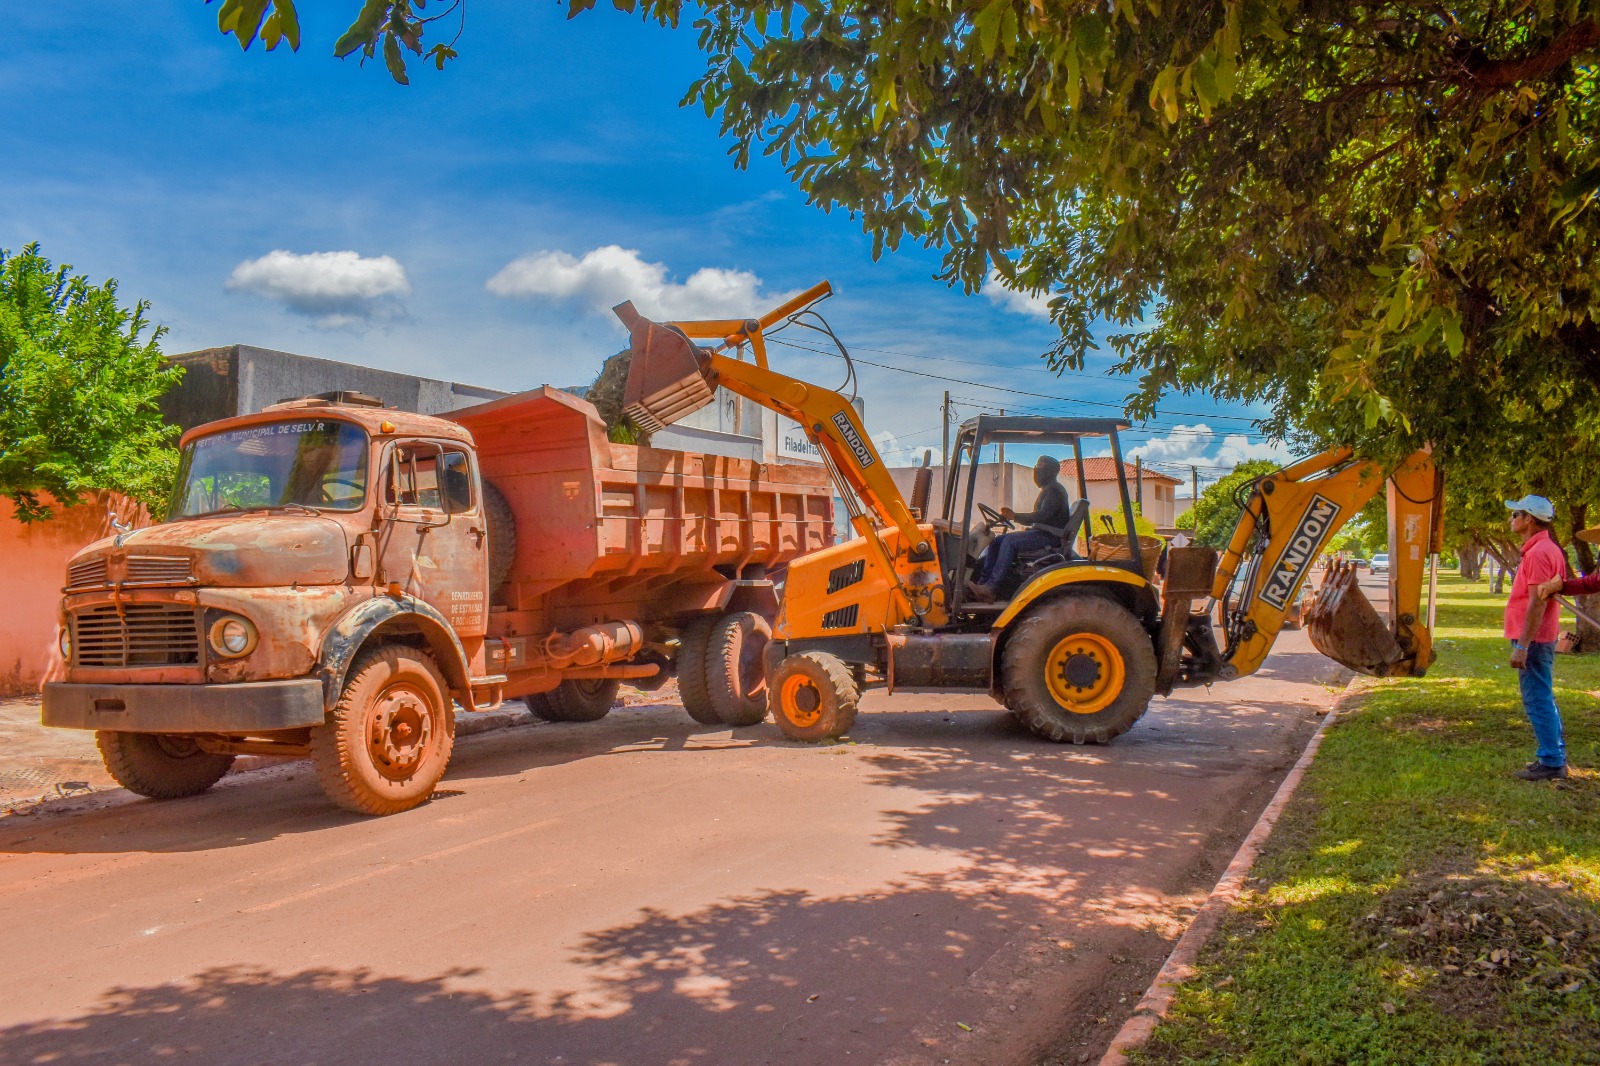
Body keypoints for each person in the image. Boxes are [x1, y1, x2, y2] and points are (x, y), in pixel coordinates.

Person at [1503, 494, 1568, 781]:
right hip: (1537, 637)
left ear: (1528, 519)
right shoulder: (1539, 549)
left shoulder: (1541, 552)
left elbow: (1537, 602)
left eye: (1515, 514)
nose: (1511, 518)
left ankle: (1552, 761)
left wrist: (1522, 645)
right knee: (1542, 694)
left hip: (1535, 639)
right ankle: (1553, 755)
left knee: (1537, 697)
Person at [967, 455, 1071, 602]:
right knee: (997, 541)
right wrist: (1013, 517)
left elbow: (1042, 516)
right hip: (1043, 532)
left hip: (1050, 536)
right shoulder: (1049, 489)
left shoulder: (1054, 491)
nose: (1036, 472)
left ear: (1050, 471)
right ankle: (983, 584)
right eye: (1036, 468)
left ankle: (991, 588)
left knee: (1009, 541)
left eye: (1040, 468)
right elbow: (1041, 518)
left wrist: (1014, 516)